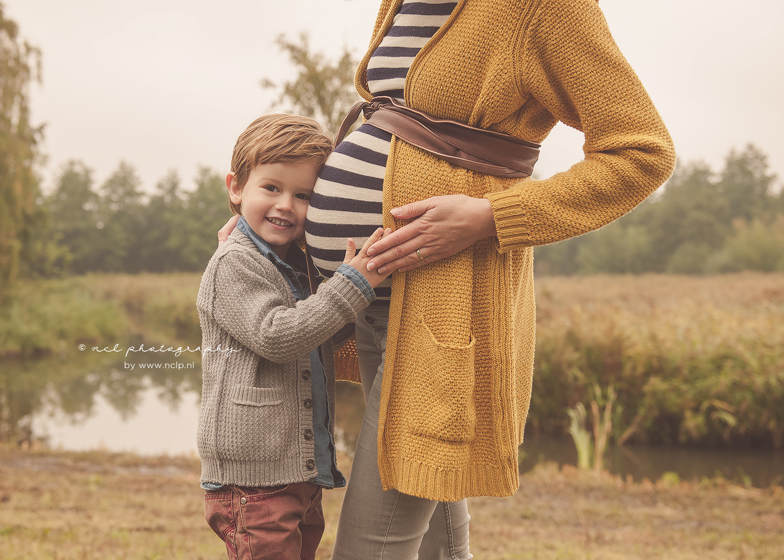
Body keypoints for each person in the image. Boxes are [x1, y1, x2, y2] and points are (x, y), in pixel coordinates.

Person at [220, 0, 676, 558]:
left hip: (444, 312)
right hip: (371, 305)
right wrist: (260, 221)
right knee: (435, 529)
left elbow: (642, 152)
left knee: (370, 547)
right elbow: (395, 131)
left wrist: (490, 216)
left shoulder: (544, 8)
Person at [197, 113, 390, 560]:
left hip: (296, 474)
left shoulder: (297, 265)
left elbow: (319, 325)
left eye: (303, 195)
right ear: (236, 187)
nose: (286, 204)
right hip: (254, 484)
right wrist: (353, 283)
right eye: (272, 188)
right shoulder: (234, 263)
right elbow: (279, 335)